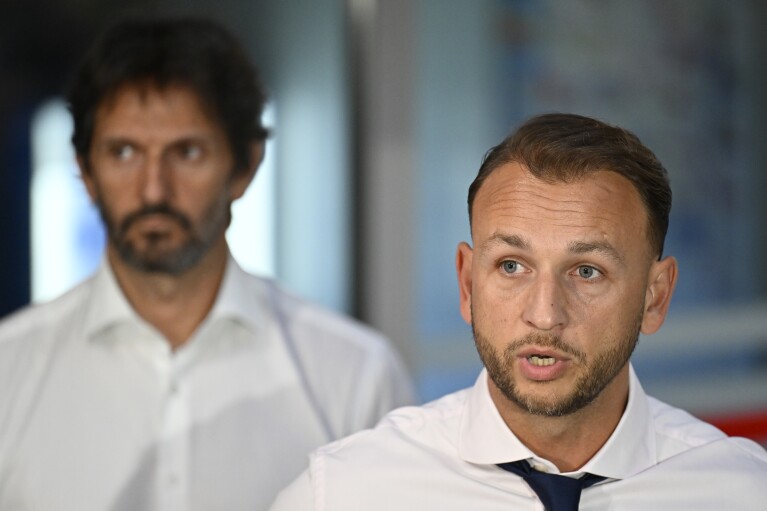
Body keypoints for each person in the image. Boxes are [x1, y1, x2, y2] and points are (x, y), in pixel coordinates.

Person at [0, 16, 414, 511]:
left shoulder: (356, 377)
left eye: (188, 152)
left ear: (244, 167)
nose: (153, 188)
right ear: (86, 171)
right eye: (124, 152)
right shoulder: (9, 371)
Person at [270, 113, 767, 510]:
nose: (545, 314)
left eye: (587, 271)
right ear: (467, 284)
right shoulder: (342, 493)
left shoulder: (743, 493)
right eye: (512, 266)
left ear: (654, 297)